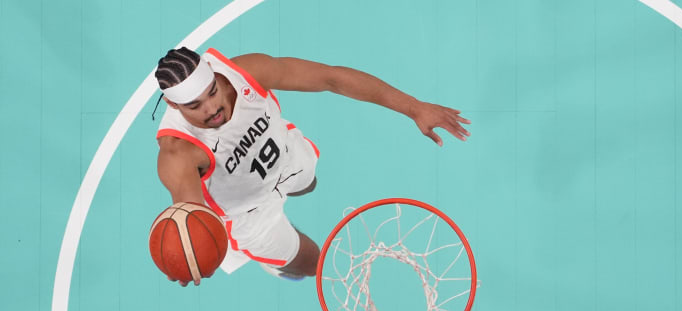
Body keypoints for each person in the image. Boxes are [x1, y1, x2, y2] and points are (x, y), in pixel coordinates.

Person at [154, 47, 470, 286]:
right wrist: (190, 254)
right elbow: (189, 211)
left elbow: (330, 78)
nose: (213, 109)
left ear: (212, 73)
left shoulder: (247, 72)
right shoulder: (178, 152)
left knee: (309, 184)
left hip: (284, 156)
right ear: (173, 105)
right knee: (311, 264)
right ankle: (275, 262)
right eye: (195, 105)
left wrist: (414, 108)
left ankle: (294, 190)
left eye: (212, 93)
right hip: (246, 213)